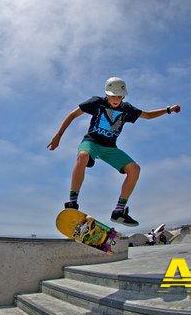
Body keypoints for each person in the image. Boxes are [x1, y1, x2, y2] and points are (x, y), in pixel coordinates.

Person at [47, 76, 181, 227]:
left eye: (119, 96)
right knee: (83, 156)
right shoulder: (96, 102)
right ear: (107, 94)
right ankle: (72, 202)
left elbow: (148, 115)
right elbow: (72, 115)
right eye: (112, 96)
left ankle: (119, 211)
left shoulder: (127, 109)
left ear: (123, 96)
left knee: (134, 169)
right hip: (91, 142)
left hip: (110, 147)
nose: (116, 99)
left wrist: (168, 109)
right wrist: (58, 136)